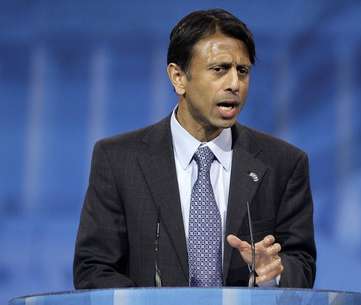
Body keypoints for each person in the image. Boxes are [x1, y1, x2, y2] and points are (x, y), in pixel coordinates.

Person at [73, 8, 316, 289]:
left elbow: (302, 264)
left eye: (243, 71)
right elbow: (93, 269)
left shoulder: (283, 163)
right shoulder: (118, 159)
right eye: (219, 69)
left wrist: (272, 275)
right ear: (178, 77)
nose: (235, 84)